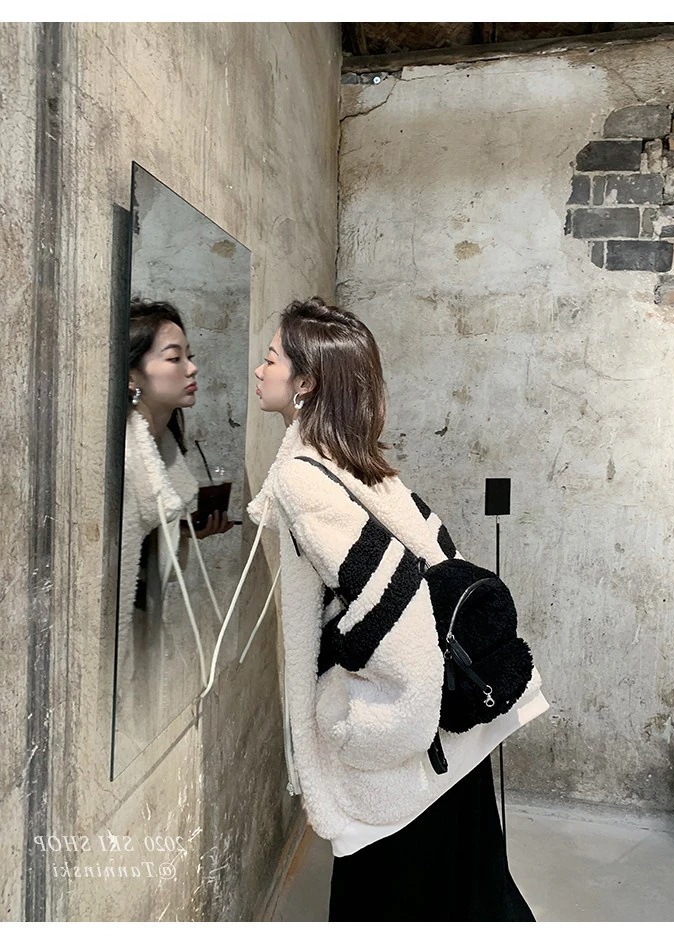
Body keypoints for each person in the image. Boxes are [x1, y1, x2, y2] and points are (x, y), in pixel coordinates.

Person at [245, 296, 548, 921]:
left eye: (271, 358)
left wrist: (371, 733)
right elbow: (439, 558)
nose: (259, 369)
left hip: (407, 753)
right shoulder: (360, 460)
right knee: (472, 896)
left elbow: (399, 611)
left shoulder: (303, 478)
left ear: (305, 382)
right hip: (448, 744)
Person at [117, 301, 233, 754]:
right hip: (115, 635)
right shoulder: (124, 456)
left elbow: (146, 538)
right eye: (174, 357)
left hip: (146, 622)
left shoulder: (161, 443)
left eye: (189, 355)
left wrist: (184, 533)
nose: (191, 367)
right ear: (132, 375)